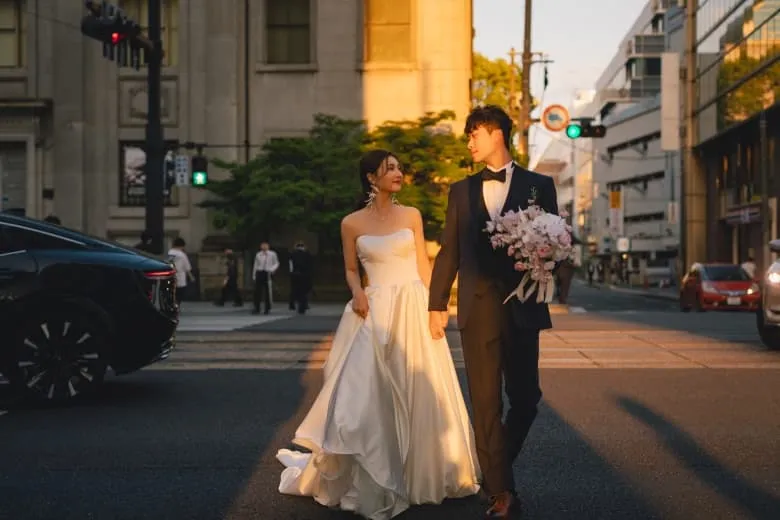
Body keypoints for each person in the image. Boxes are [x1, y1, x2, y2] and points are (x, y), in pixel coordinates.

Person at [276, 150, 480, 519]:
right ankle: (376, 473)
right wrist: (356, 291)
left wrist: (437, 307)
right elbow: (351, 269)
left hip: (413, 305)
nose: (398, 173)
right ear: (372, 178)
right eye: (390, 169)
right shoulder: (351, 223)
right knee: (369, 394)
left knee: (420, 388)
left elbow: (423, 264)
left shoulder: (412, 216)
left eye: (399, 167)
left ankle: (423, 476)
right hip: (374, 309)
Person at [428, 105, 559, 519]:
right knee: (484, 403)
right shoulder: (460, 190)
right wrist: (436, 304)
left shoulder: (541, 185)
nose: (468, 143)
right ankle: (502, 493)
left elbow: (556, 241)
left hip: (522, 306)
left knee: (525, 398)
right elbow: (449, 250)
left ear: (497, 134)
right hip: (477, 307)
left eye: (473, 135)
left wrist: (545, 254)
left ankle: (493, 470)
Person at [252, 242, 279, 315]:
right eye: (262, 246)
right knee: (257, 291)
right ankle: (257, 308)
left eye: (265, 246)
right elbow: (256, 264)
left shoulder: (272, 254)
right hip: (259, 272)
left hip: (267, 272)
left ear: (268, 246)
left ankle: (267, 308)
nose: (264, 247)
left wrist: (272, 269)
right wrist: (254, 275)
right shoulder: (258, 254)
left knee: (268, 291)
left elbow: (276, 263)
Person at [167, 237, 195, 307]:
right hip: (180, 277)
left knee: (171, 293)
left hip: (170, 276)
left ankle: (170, 305)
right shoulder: (182, 255)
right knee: (179, 294)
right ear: (182, 246)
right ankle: (176, 306)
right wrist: (191, 277)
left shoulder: (169, 253)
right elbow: (187, 267)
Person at [288, 241, 312, 314]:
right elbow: (310, 266)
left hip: (295, 274)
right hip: (304, 275)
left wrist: (291, 273)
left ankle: (292, 304)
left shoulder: (292, 254)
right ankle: (302, 307)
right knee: (303, 292)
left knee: (294, 290)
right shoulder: (307, 254)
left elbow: (290, 265)